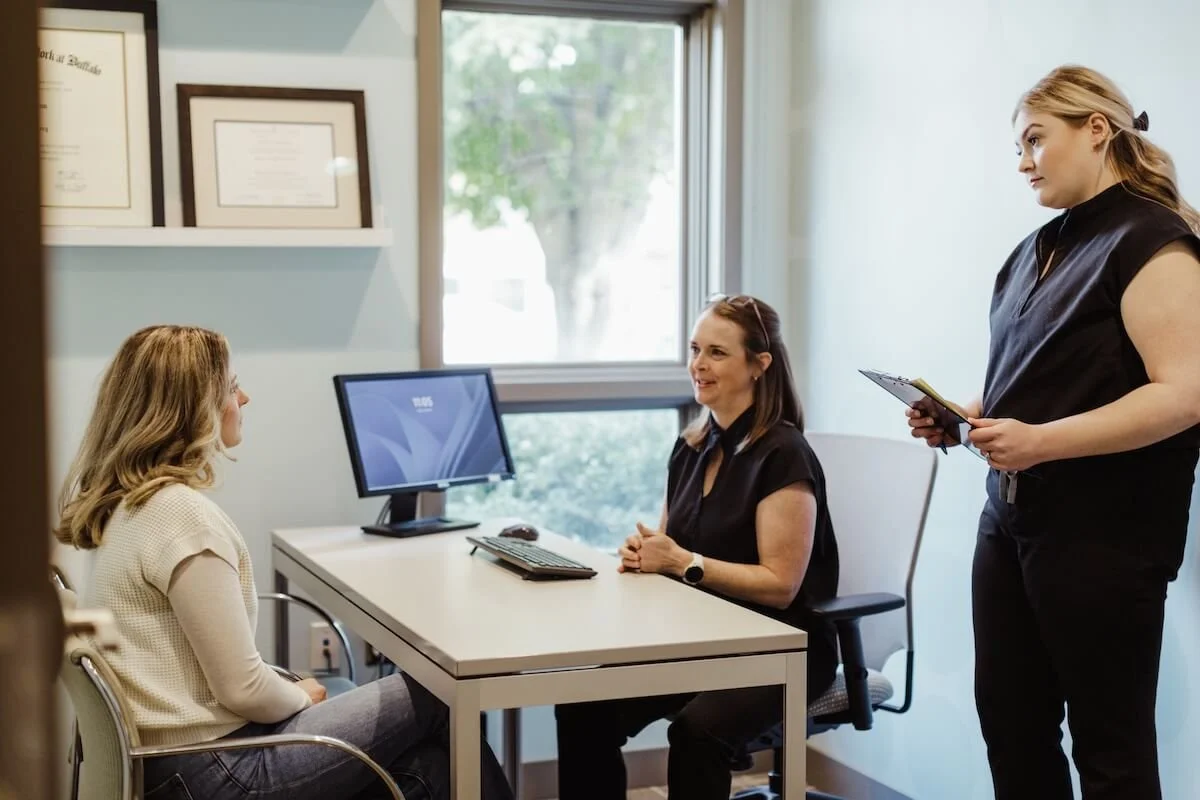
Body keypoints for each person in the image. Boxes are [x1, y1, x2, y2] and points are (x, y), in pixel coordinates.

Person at [55, 325, 514, 800]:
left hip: (164, 768)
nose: (245, 398)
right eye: (232, 388)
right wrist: (302, 696)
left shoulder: (123, 506)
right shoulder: (180, 516)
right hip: (214, 773)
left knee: (430, 770)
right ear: (193, 409)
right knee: (441, 693)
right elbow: (242, 690)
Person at [907, 65, 1200, 800]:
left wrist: (1039, 442)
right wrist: (962, 415)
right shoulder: (1034, 252)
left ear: (1096, 129)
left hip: (1104, 535)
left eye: (1035, 139)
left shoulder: (1154, 242)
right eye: (1019, 146)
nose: (1023, 161)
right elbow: (1032, 377)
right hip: (1009, 522)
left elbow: (1187, 393)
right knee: (1011, 726)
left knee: (1110, 752)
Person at [554, 295, 841, 800]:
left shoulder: (783, 454)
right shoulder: (690, 446)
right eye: (694, 349)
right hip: (701, 640)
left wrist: (683, 562)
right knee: (583, 703)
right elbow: (671, 548)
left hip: (782, 647)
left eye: (717, 353)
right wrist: (648, 556)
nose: (698, 366)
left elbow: (780, 586)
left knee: (697, 730)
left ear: (760, 365)